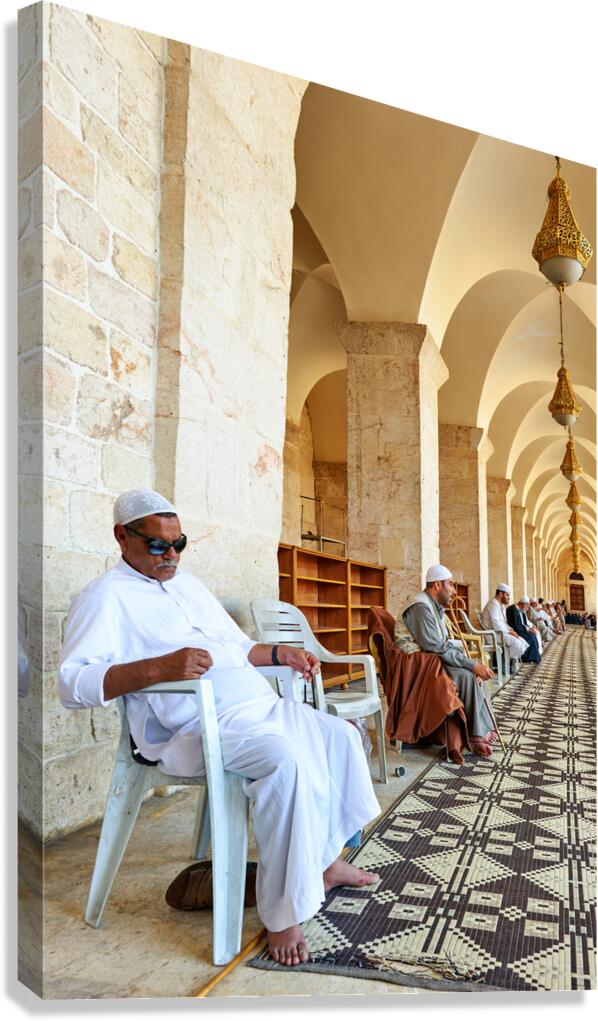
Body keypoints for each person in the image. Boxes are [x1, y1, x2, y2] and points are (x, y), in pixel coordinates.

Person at [59, 489, 382, 968]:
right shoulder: (104, 598)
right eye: (157, 546)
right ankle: (283, 912)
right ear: (121, 537)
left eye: (179, 543)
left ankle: (324, 859)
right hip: (192, 728)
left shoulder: (187, 586)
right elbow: (72, 684)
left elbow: (236, 647)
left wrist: (280, 654)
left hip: (256, 706)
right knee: (285, 761)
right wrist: (158, 668)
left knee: (341, 737)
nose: (171, 555)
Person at [399, 565, 497, 757]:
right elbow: (434, 646)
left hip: (430, 658)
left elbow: (441, 643)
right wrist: (472, 664)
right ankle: (476, 735)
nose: (454, 590)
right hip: (416, 663)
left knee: (473, 673)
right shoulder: (420, 606)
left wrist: (471, 663)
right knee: (467, 675)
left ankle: (481, 727)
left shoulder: (434, 607)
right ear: (437, 585)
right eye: (451, 585)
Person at [480, 583, 528, 669]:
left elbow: (504, 623)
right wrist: (510, 632)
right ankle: (506, 665)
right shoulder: (493, 604)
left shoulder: (501, 605)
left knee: (522, 641)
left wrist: (511, 630)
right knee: (516, 643)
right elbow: (497, 625)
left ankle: (508, 663)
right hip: (492, 635)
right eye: (507, 595)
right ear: (500, 594)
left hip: (500, 633)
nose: (508, 597)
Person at [506, 596, 541, 663]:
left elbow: (520, 624)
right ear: (522, 604)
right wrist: (527, 630)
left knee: (532, 635)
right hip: (515, 630)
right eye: (526, 605)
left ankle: (534, 656)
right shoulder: (514, 609)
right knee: (530, 637)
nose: (527, 607)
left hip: (518, 629)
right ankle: (528, 658)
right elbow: (516, 625)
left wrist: (528, 629)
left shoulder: (518, 609)